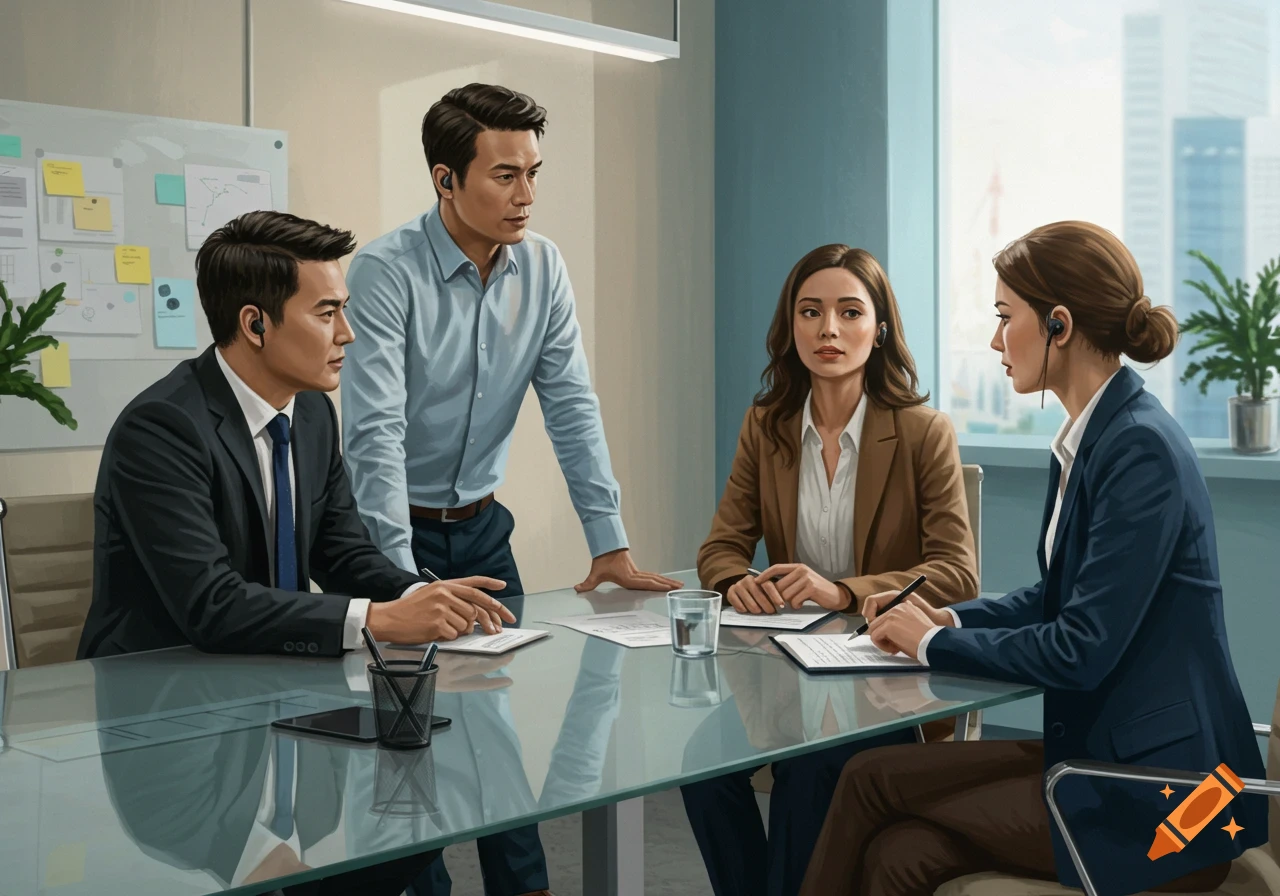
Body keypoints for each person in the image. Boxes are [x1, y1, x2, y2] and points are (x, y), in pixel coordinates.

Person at [798, 221, 1269, 896]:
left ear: (1059, 324)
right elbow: (1056, 599)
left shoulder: (1140, 451)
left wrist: (930, 643)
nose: (995, 341)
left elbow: (1080, 648)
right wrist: (950, 621)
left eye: (1003, 317)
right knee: (896, 840)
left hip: (1175, 806)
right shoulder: (1094, 437)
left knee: (872, 789)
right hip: (1106, 759)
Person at [340, 82, 680, 896]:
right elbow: (374, 435)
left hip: (483, 534)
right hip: (395, 537)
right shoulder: (387, 270)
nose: (526, 195)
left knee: (496, 734)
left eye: (534, 173)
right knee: (405, 746)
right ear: (445, 180)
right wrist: (396, 582)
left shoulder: (543, 265)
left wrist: (610, 542)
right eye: (504, 176)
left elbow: (570, 403)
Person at [77, 208, 516, 663]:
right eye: (327, 313)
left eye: (344, 309)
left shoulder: (311, 412)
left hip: (268, 669)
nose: (347, 333)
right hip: (159, 691)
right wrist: (379, 619)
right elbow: (211, 604)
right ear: (255, 325)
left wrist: (419, 595)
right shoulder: (160, 430)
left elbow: (341, 550)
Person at [686, 244, 979, 896]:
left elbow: (956, 572)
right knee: (700, 763)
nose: (828, 330)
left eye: (850, 312)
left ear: (879, 330)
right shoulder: (767, 426)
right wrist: (742, 582)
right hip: (783, 673)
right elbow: (720, 549)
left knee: (810, 770)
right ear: (790, 328)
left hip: (883, 677)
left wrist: (841, 589)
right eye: (810, 312)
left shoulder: (922, 432)